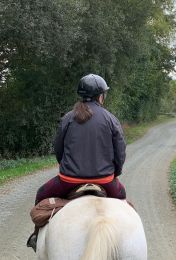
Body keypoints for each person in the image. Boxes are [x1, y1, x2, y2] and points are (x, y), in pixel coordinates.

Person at [27, 73, 127, 251]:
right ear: (101, 96)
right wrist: (115, 174)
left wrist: (66, 168)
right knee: (123, 198)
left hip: (68, 180)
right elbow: (120, 152)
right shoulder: (111, 119)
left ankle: (36, 235)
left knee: (41, 193)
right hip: (104, 181)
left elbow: (58, 149)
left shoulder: (67, 118)